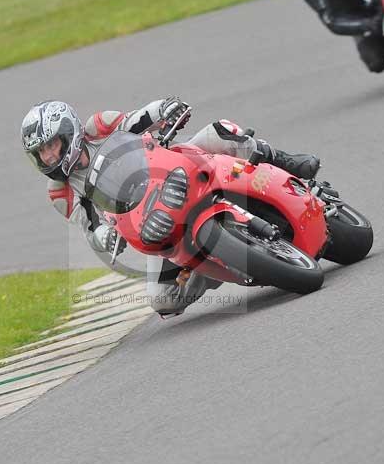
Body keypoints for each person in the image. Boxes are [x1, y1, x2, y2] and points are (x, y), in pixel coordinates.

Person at [21, 98, 322, 318]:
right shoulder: (60, 191)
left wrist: (163, 108)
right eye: (41, 153)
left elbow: (137, 120)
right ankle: (225, 263)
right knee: (163, 299)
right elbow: (90, 226)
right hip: (151, 218)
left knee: (219, 132)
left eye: (52, 146)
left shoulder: (97, 126)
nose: (48, 157)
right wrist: (105, 237)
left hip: (172, 167)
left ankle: (282, 160)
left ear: (69, 133)